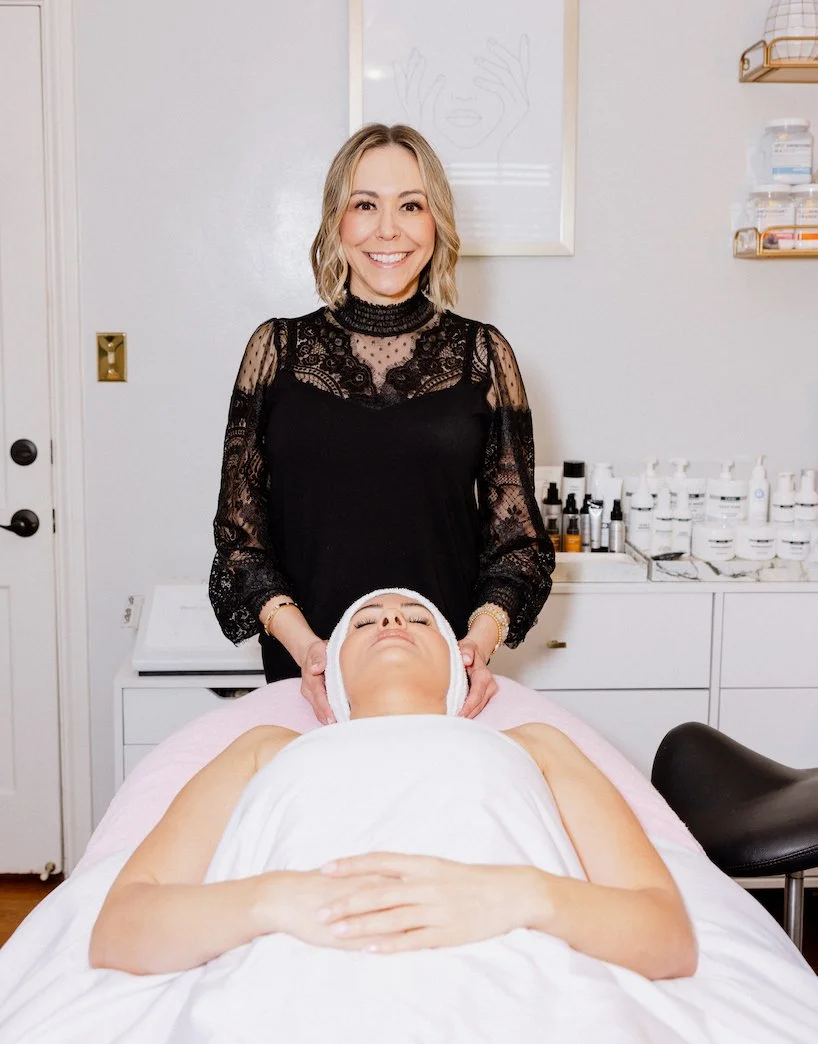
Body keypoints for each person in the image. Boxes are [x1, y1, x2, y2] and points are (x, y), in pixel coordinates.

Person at [90, 591, 696, 982]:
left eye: (417, 618)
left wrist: (522, 895)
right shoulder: (266, 747)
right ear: (329, 672)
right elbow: (121, 929)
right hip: (288, 978)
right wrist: (272, 900)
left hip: (516, 975)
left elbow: (665, 936)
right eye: (367, 620)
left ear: (461, 665)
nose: (391, 620)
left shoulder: (535, 744)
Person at [209, 122, 554, 725]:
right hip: (305, 681)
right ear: (335, 222)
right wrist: (309, 653)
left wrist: (477, 642)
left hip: (438, 681)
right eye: (365, 204)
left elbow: (517, 546)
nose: (387, 228)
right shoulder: (276, 350)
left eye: (411, 205)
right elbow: (241, 545)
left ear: (436, 223)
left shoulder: (484, 354)